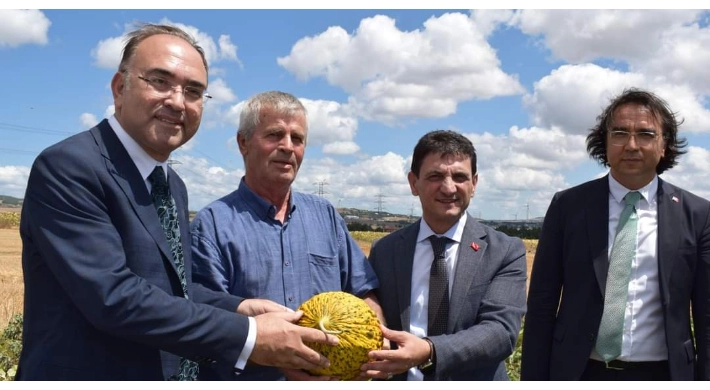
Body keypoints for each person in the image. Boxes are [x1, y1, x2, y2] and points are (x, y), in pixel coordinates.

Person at [17, 24, 338, 381]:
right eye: (160, 81)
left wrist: (239, 307)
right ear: (120, 88)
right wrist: (251, 335)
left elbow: (173, 289)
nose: (177, 101)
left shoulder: (173, 185)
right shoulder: (71, 167)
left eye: (193, 91)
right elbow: (115, 297)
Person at [190, 90, 383, 380]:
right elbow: (206, 319)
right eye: (275, 135)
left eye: (298, 139)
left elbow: (363, 290)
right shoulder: (212, 224)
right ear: (243, 143)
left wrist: (375, 352)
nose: (288, 147)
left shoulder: (326, 215)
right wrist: (277, 357)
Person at [521, 88, 710, 380]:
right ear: (605, 142)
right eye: (620, 133)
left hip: (664, 373)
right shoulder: (568, 206)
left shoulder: (697, 214)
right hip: (579, 371)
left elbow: (706, 313)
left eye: (645, 134)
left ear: (664, 146)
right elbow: (542, 303)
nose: (631, 145)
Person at [360, 130, 527, 381]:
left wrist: (429, 350)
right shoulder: (386, 250)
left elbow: (501, 332)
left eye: (460, 176)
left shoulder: (504, 251)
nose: (448, 187)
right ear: (413, 183)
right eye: (435, 176)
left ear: (474, 184)